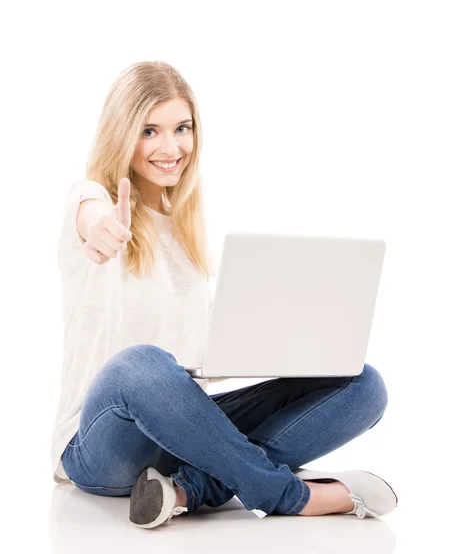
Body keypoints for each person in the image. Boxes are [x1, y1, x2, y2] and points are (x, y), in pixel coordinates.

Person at [51, 60, 398, 530]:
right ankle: (289, 495)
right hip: (101, 445)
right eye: (149, 131)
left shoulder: (187, 234)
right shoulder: (91, 199)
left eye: (181, 128)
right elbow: (91, 216)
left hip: (182, 435)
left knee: (364, 384)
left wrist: (289, 345)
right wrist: (102, 228)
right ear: (121, 134)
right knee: (142, 365)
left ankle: (183, 491)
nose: (170, 147)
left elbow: (202, 360)